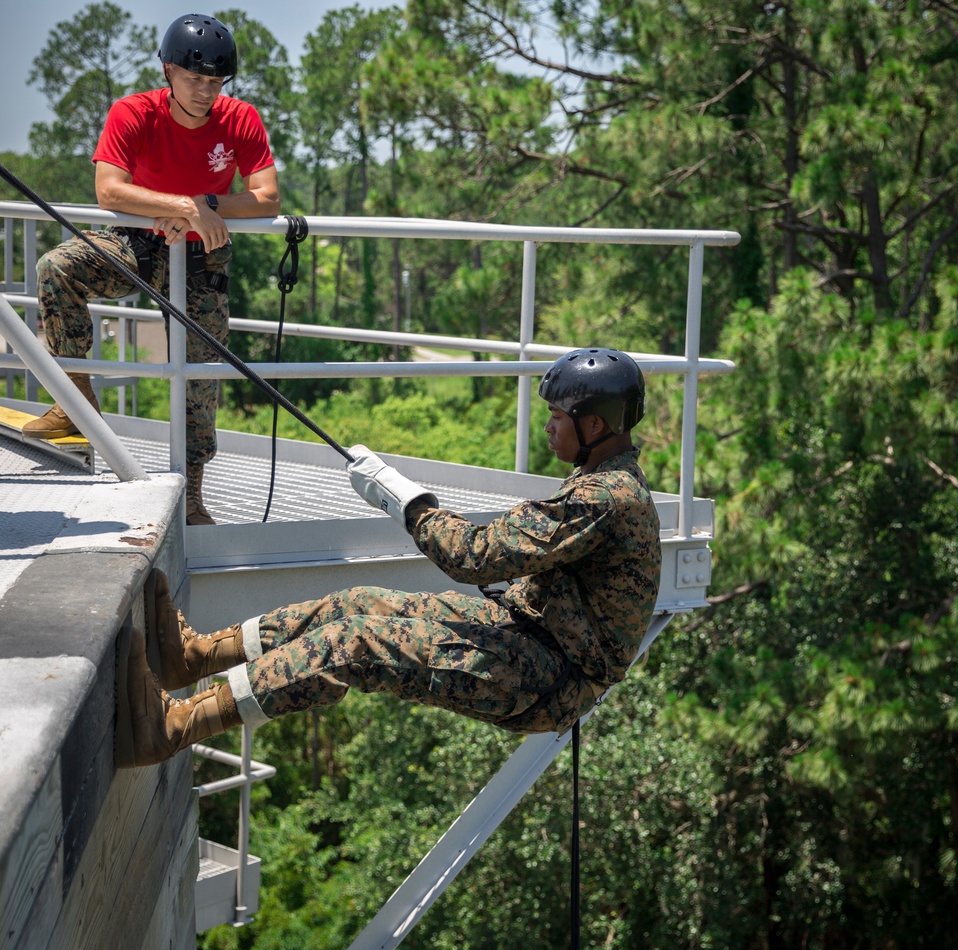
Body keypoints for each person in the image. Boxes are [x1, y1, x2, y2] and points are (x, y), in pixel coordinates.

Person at [115, 348, 663, 768]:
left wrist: (406, 501)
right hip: (528, 634)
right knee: (359, 604)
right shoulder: (605, 480)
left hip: (548, 674)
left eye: (557, 416)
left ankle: (176, 725)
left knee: (357, 642)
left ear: (594, 425)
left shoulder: (603, 498)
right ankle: (195, 657)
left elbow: (472, 556)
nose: (548, 425)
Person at [24, 13, 281, 525]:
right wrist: (185, 206)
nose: (206, 91)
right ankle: (76, 399)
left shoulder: (240, 119)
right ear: (167, 69)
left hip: (204, 254)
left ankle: (190, 497)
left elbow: (268, 200)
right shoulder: (133, 112)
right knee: (57, 267)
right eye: (195, 79)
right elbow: (108, 189)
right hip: (137, 242)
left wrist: (206, 202)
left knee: (199, 374)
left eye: (215, 81)